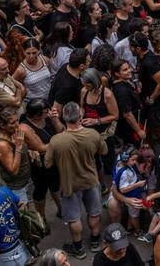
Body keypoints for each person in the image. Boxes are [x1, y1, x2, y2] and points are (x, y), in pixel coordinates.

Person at [47, 101, 107, 258]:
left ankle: (78, 248)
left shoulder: (56, 140)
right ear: (80, 117)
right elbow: (104, 150)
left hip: (69, 184)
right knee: (94, 213)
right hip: (91, 181)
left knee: (74, 217)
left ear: (64, 118)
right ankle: (95, 242)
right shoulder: (93, 135)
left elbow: (47, 163)